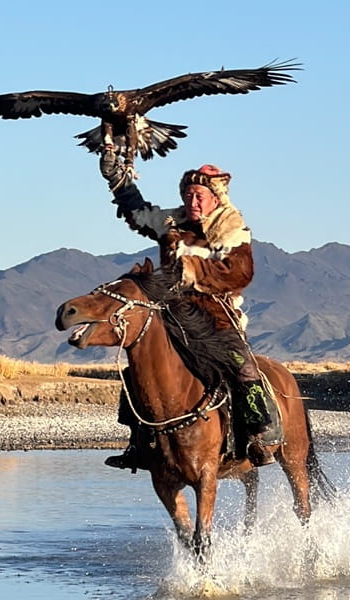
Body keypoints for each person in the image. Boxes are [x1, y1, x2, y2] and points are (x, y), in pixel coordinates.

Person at [99, 146, 276, 469]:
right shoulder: (171, 224)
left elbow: (239, 273)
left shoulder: (233, 230)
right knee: (136, 367)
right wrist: (118, 180)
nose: (192, 201)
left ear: (215, 198)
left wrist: (193, 270)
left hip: (216, 319)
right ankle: (137, 443)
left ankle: (256, 436)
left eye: (199, 196)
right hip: (171, 316)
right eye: (188, 195)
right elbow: (139, 213)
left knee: (243, 367)